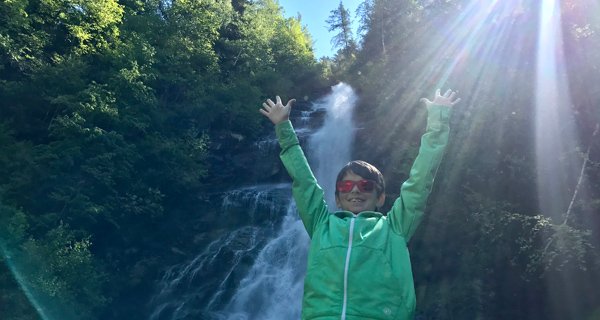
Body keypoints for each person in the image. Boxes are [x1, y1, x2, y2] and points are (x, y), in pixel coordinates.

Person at [259, 89, 460, 320]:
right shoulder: (321, 225)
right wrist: (283, 127)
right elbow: (304, 182)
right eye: (345, 187)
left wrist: (438, 121)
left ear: (380, 197)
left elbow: (420, 180)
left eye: (365, 186)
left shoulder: (394, 227)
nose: (354, 190)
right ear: (337, 198)